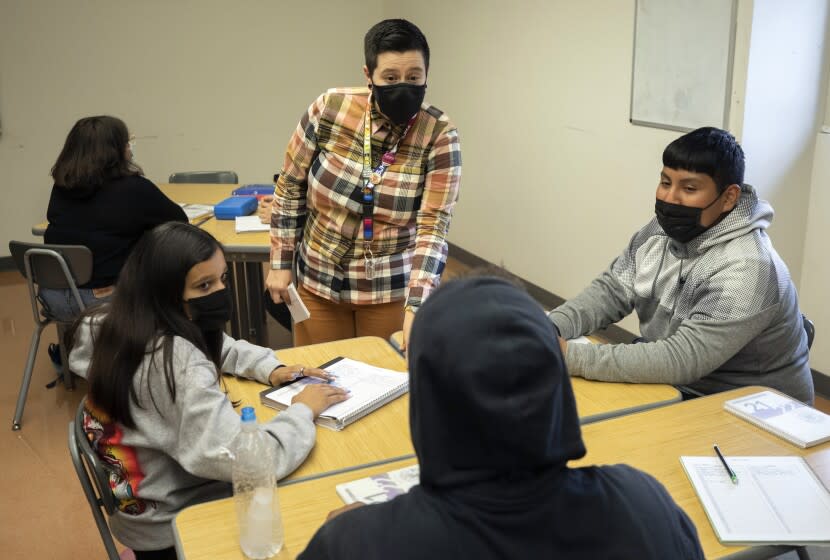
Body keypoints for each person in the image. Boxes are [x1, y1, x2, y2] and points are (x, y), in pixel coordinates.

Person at [298, 276, 704, 560]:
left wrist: (364, 531)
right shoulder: (644, 506)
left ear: (429, 401)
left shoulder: (357, 545)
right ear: (557, 390)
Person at [68, 222, 348, 559]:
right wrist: (303, 409)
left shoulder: (114, 323)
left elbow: (214, 343)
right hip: (174, 527)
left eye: (222, 279)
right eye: (204, 285)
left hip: (141, 504)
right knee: (317, 509)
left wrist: (269, 367)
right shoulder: (174, 364)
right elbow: (252, 463)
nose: (219, 291)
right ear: (165, 293)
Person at [549, 127, 813, 404]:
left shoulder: (749, 267)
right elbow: (612, 291)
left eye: (689, 188)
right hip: (680, 385)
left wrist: (566, 355)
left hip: (748, 408)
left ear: (729, 197)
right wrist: (547, 329)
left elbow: (683, 358)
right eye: (665, 183)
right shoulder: (661, 232)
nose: (670, 198)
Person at [265, 18, 461, 350]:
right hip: (318, 278)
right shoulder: (331, 108)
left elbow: (433, 227)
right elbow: (290, 186)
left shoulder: (439, 135)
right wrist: (281, 263)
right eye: (390, 77)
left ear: (427, 74)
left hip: (389, 286)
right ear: (368, 76)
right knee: (323, 377)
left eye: (414, 77)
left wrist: (418, 304)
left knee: (390, 385)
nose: (403, 86)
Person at [42, 115, 188, 322]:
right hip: (105, 301)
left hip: (54, 298)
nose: (130, 147)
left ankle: (73, 348)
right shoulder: (135, 189)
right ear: (116, 150)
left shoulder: (61, 187)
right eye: (127, 142)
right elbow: (179, 223)